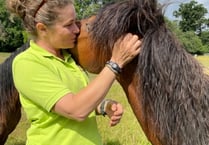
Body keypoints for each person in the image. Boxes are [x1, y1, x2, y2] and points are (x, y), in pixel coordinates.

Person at [7, 0, 141, 145]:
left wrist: (103, 106)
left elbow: (75, 98)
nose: (77, 30)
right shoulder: (27, 63)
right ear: (42, 29)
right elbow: (75, 110)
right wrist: (116, 63)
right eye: (68, 25)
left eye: (75, 22)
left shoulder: (69, 57)